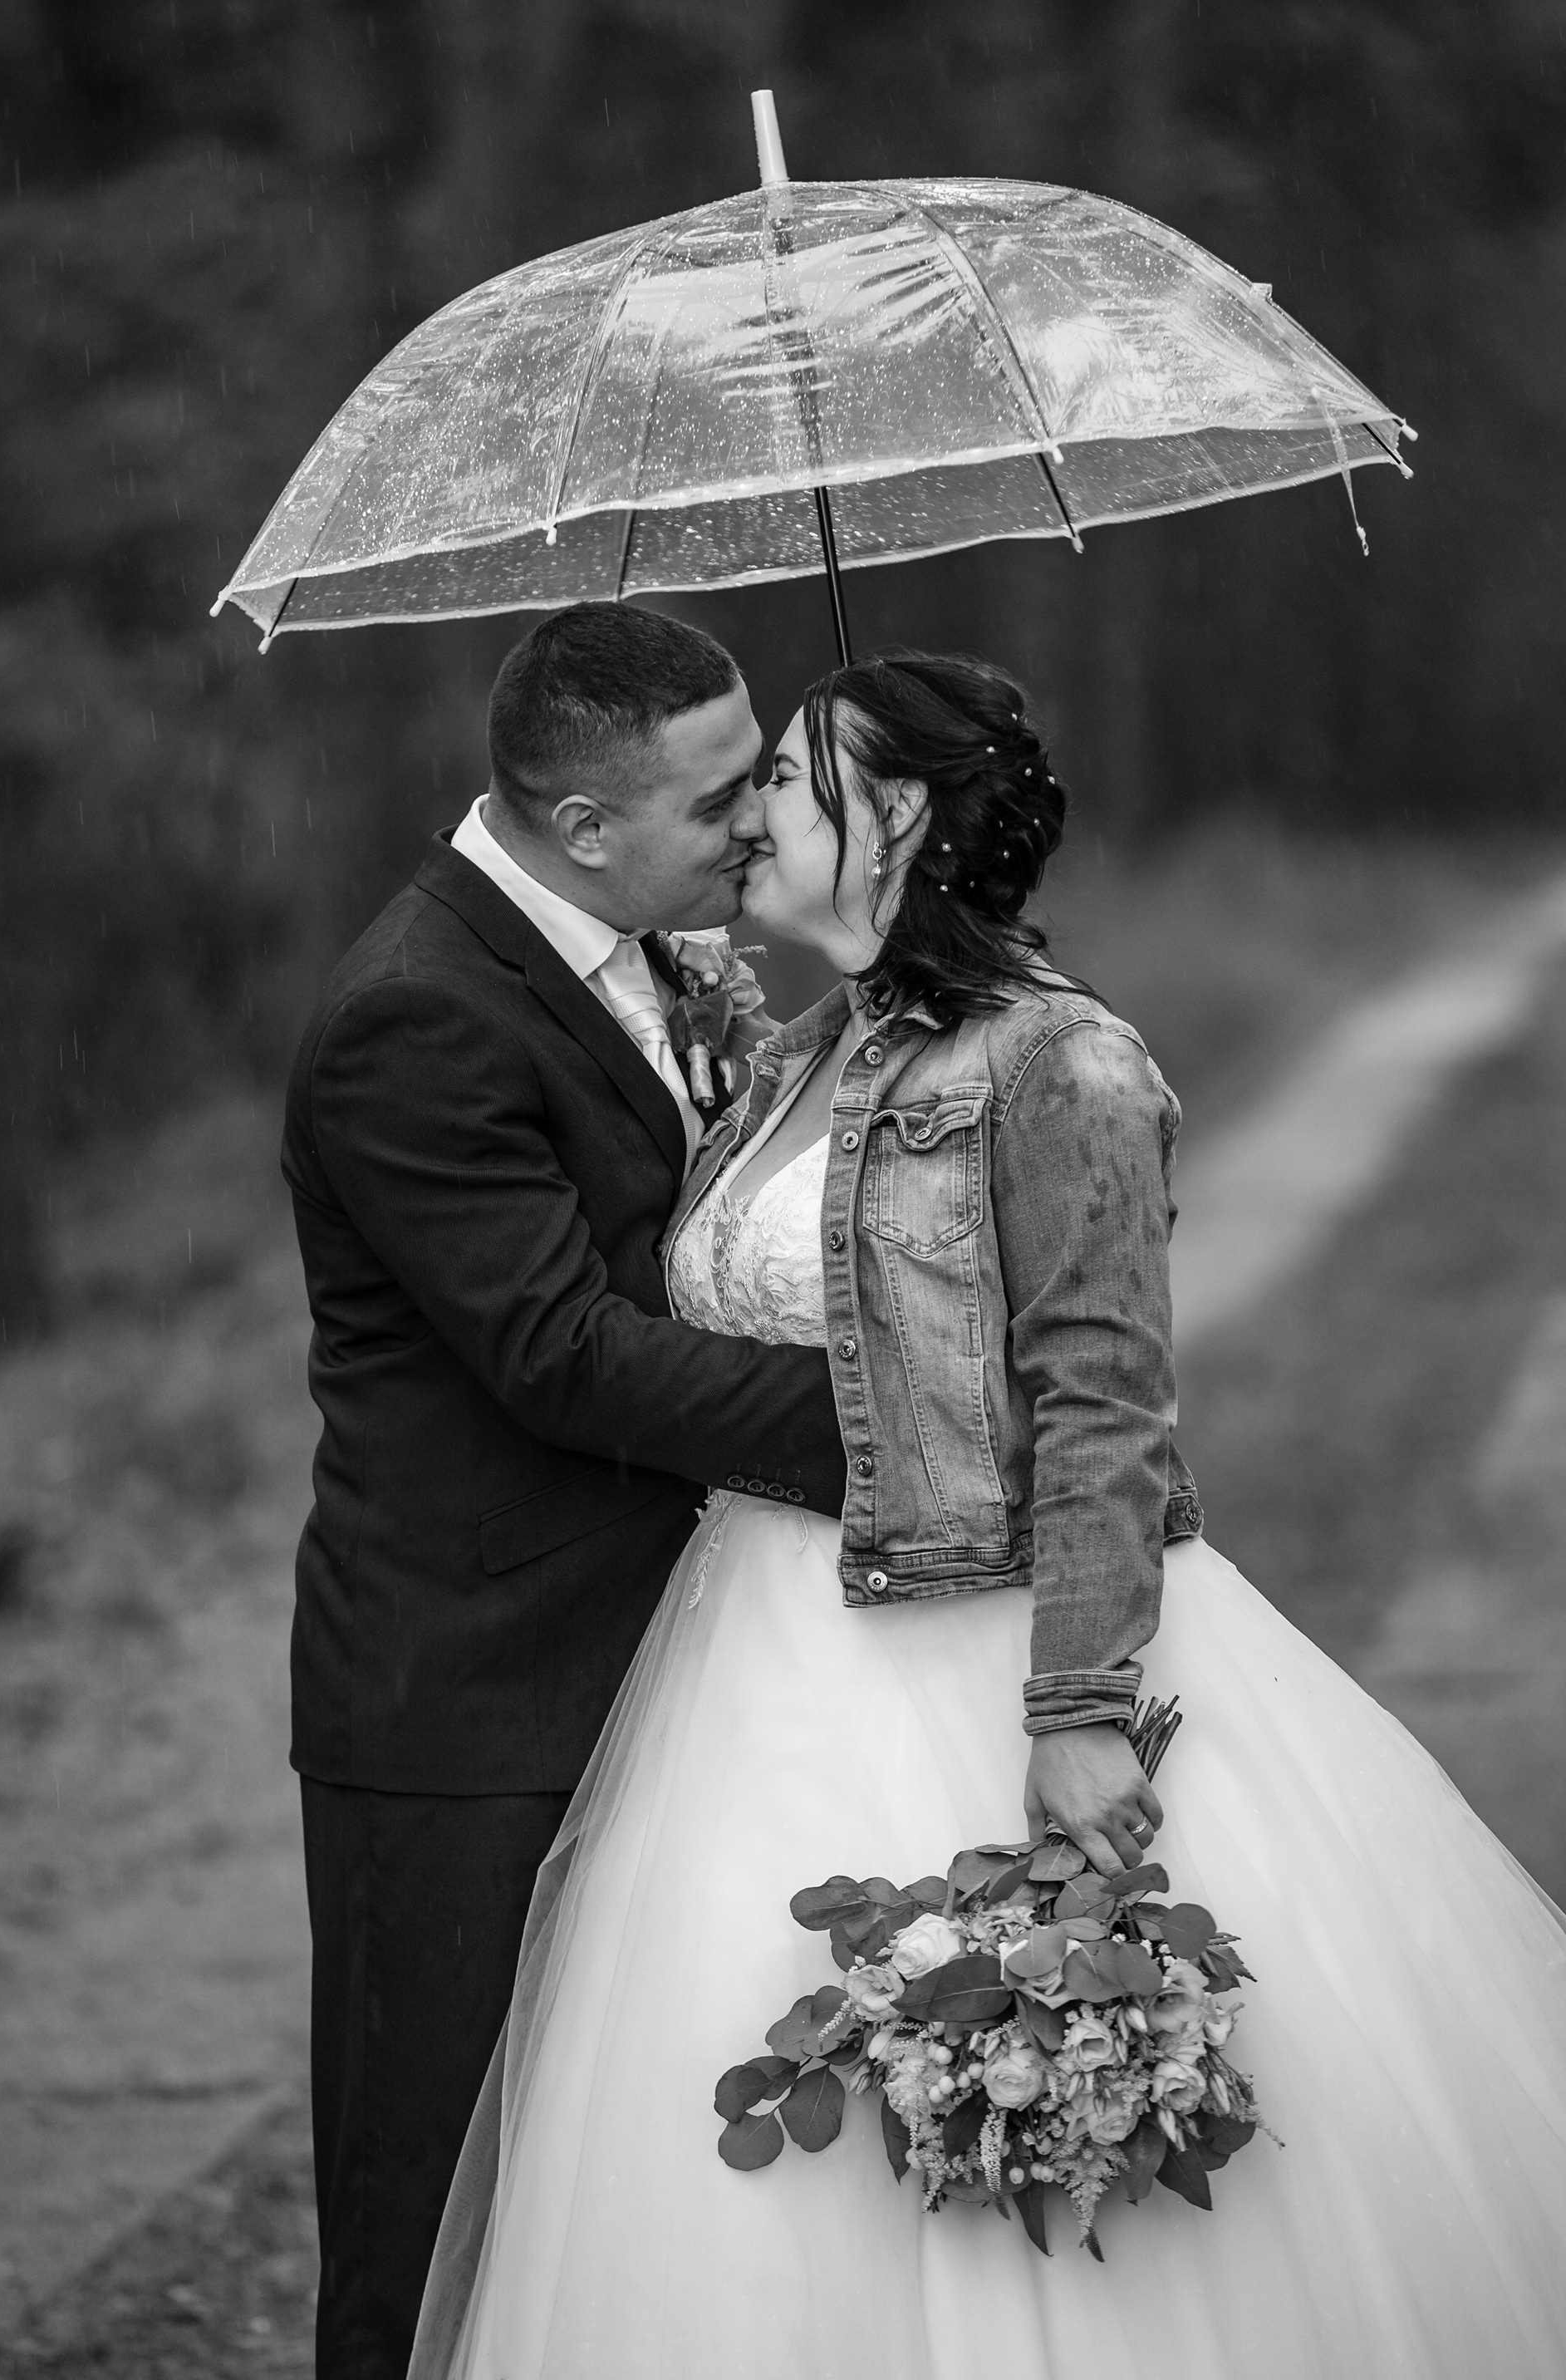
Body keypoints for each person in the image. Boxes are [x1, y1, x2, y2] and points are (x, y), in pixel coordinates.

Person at [412, 648, 1566, 2380]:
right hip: (751, 1662)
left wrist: (1080, 1711)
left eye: (786, 777)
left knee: (1050, 2103)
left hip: (985, 1640)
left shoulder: (1059, 1060)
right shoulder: (801, 1049)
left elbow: (1104, 1402)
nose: (752, 815)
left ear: (895, 814)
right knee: (737, 2115)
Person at [280, 601, 847, 2380]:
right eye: (720, 798)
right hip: (472, 1687)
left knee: (602, 2199)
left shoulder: (645, 941)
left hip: (669, 1654)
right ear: (584, 825)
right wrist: (894, 1423)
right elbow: (562, 1354)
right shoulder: (413, 1015)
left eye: (761, 773)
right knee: (430, 2203)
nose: (759, 819)